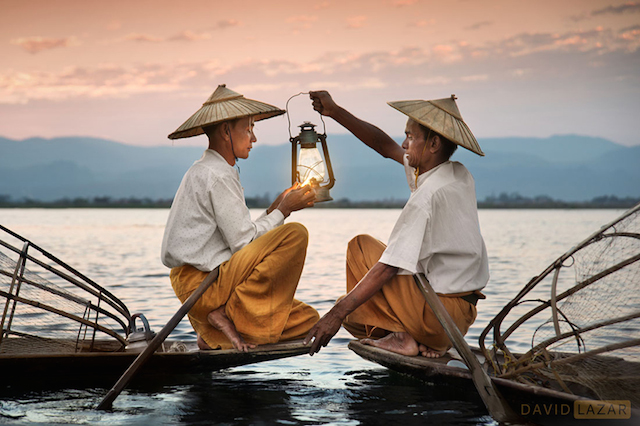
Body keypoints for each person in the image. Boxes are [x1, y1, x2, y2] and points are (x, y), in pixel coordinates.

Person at [303, 91, 489, 357]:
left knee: (350, 307)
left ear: (434, 144)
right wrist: (335, 112)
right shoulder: (456, 173)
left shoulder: (427, 196)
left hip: (439, 315)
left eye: (411, 137)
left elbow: (387, 268)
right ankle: (417, 337)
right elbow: (384, 145)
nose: (403, 144)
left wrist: (334, 315)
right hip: (460, 316)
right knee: (363, 246)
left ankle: (406, 336)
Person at [161, 84, 319, 352]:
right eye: (248, 129)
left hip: (207, 285)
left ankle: (215, 331)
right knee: (296, 234)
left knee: (309, 321)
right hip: (201, 287)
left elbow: (240, 235)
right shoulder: (216, 174)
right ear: (225, 132)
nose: (253, 138)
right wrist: (285, 211)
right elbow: (244, 245)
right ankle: (235, 315)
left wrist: (275, 209)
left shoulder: (211, 170)